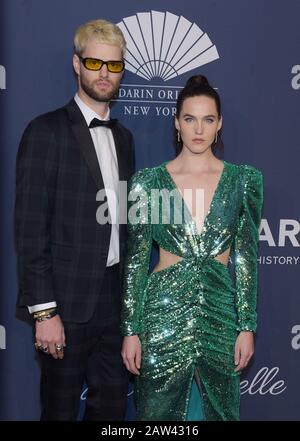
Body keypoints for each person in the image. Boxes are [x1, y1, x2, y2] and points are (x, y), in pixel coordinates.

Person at [121, 75, 263, 420]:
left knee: (221, 412)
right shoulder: (148, 183)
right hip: (162, 315)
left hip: (220, 315)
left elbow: (245, 258)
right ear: (176, 123)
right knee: (157, 417)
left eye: (208, 119)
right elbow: (137, 259)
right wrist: (131, 330)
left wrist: (247, 326)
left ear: (219, 125)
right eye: (189, 118)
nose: (198, 129)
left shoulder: (245, 181)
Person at [15, 19, 135, 420]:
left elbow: (122, 224)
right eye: (95, 63)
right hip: (63, 305)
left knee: (112, 414)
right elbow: (30, 229)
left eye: (113, 65)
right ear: (76, 64)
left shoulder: (124, 138)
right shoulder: (44, 131)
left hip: (113, 302)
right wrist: (45, 313)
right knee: (60, 412)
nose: (104, 73)